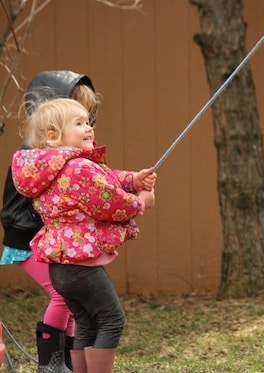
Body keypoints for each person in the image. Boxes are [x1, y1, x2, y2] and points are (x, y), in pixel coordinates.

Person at [11, 97, 156, 373]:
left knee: (87, 322)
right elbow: (109, 200)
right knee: (113, 319)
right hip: (81, 266)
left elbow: (106, 178)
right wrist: (141, 201)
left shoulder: (54, 169)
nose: (89, 128)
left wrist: (133, 180)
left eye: (87, 121)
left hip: (60, 267)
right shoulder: (77, 168)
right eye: (78, 123)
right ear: (53, 137)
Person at [1, 70, 101, 372]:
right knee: (62, 293)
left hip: (51, 239)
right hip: (28, 240)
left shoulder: (62, 156)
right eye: (75, 117)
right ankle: (50, 364)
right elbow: (16, 207)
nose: (84, 125)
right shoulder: (34, 157)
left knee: (71, 299)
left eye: (86, 118)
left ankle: (66, 361)